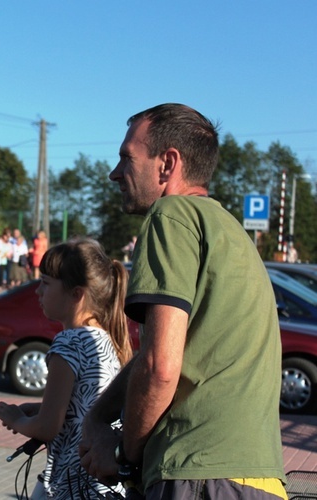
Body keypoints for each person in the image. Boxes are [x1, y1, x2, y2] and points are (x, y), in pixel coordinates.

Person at [79, 104, 286, 499]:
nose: (115, 173)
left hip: (199, 474)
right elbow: (168, 353)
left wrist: (123, 454)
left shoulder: (170, 214)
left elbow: (160, 367)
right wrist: (99, 416)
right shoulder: (228, 230)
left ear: (166, 164)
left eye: (126, 158)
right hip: (255, 476)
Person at [0, 238, 132, 498]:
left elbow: (47, 427)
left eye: (45, 284)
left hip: (72, 483)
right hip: (102, 483)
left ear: (76, 294)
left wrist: (18, 420)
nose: (37, 291)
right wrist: (39, 409)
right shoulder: (105, 339)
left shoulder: (67, 344)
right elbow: (84, 404)